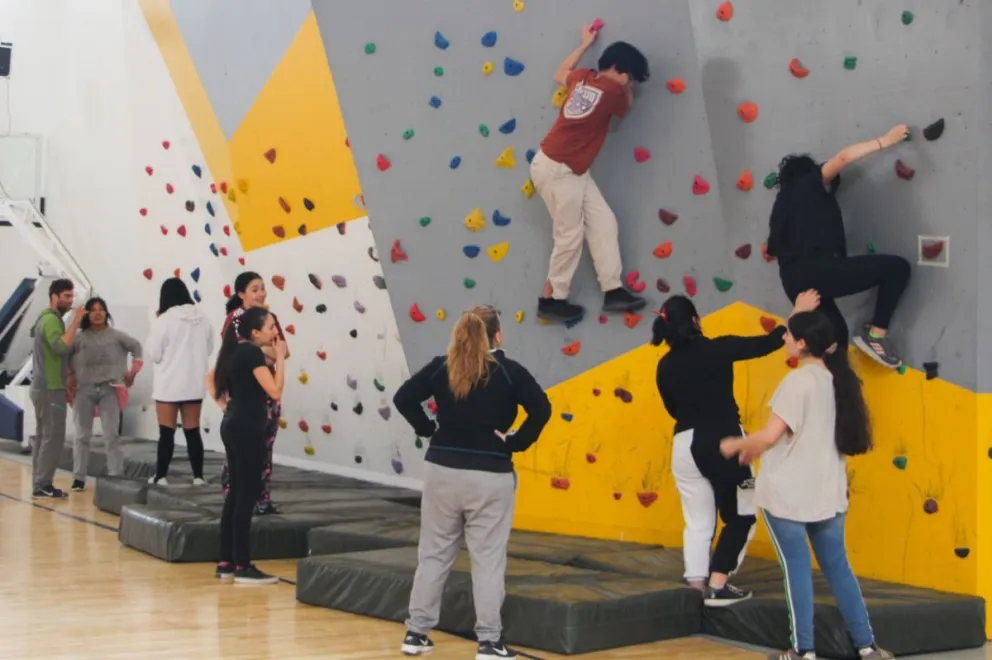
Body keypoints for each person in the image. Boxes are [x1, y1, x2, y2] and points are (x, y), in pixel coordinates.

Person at [720, 311, 892, 660]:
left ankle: (803, 651)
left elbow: (769, 437)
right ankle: (867, 647)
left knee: (797, 572)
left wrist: (736, 445)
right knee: (839, 570)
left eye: (788, 335)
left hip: (787, 498)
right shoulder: (838, 381)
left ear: (802, 343)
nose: (783, 338)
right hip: (828, 494)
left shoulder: (797, 383)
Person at [392, 305, 552, 659]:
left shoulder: (442, 366)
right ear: (497, 336)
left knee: (433, 555)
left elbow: (403, 397)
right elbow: (542, 409)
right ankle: (490, 643)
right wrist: (515, 442)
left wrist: (427, 429)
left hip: (441, 471)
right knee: (488, 560)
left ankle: (416, 634)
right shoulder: (509, 372)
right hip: (490, 476)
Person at [652, 290, 820, 607]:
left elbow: (673, 409)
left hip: (684, 446)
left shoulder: (664, 366)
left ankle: (696, 583)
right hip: (722, 443)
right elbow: (768, 343)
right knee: (742, 514)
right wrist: (797, 311)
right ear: (695, 321)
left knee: (698, 520)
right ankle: (718, 583)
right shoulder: (717, 348)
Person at [530, 24, 650, 324]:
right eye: (630, 75)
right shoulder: (614, 91)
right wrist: (628, 90)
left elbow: (561, 71)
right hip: (561, 170)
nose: (629, 82)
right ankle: (552, 299)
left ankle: (612, 290)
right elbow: (625, 108)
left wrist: (584, 44)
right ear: (619, 69)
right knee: (569, 236)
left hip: (564, 167)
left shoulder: (583, 78)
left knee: (604, 223)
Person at [766, 124, 912, 369]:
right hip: (819, 271)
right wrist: (886, 140)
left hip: (794, 284)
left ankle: (837, 393)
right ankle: (875, 336)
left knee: (836, 337)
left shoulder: (780, 205)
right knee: (897, 268)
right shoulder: (809, 183)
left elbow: (770, 249)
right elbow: (844, 157)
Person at [211, 306, 286, 584]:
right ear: (255, 332)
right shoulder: (251, 353)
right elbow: (275, 391)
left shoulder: (235, 352)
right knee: (247, 493)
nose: (275, 332)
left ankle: (226, 561)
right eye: (270, 327)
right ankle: (242, 565)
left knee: (236, 493)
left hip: (233, 424)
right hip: (246, 427)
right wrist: (280, 359)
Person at [215, 271, 289, 515]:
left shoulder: (269, 317)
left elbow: (283, 351)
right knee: (240, 448)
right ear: (241, 293)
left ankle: (263, 498)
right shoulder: (235, 319)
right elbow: (242, 352)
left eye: (263, 288)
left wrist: (269, 351)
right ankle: (233, 494)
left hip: (265, 389)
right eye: (255, 289)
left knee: (264, 446)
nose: (261, 293)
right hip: (244, 390)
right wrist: (268, 351)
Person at [66, 297, 143, 492]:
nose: (98, 313)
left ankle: (116, 475)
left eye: (101, 309)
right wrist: (69, 378)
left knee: (111, 434)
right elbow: (64, 356)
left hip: (110, 389)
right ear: (87, 314)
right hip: (84, 390)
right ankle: (79, 478)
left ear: (106, 313)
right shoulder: (79, 338)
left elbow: (137, 348)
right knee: (82, 435)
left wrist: (133, 371)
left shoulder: (116, 336)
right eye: (93, 310)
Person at [144, 277, 214, 485]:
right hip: (194, 383)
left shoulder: (164, 320)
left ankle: (161, 476)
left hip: (169, 384)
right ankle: (198, 476)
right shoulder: (203, 318)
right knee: (193, 431)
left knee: (167, 431)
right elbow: (209, 349)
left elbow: (154, 353)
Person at [29, 278, 84, 499]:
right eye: (66, 296)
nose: (70, 301)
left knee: (44, 437)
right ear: (54, 297)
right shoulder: (52, 320)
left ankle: (39, 482)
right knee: (53, 437)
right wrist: (76, 321)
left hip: (44, 387)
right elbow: (61, 347)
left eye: (72, 296)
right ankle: (43, 484)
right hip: (50, 388)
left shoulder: (44, 318)